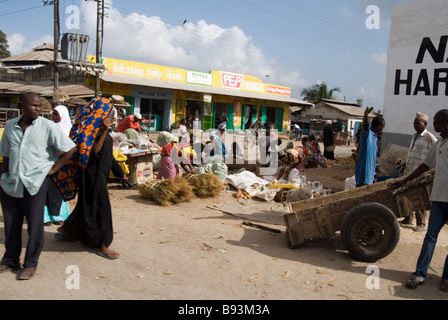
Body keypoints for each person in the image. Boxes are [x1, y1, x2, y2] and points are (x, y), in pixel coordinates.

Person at [0, 92, 76, 280]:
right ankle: (10, 259)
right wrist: (2, 176)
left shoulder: (47, 126)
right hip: (11, 183)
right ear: (22, 106)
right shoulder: (10, 126)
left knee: (35, 225)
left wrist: (53, 169)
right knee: (11, 224)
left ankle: (30, 264)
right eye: (33, 106)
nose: (38, 109)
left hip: (35, 183)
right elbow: (5, 155)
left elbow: (70, 148)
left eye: (39, 106)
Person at [55, 97, 120, 260]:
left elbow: (107, 156)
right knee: (101, 209)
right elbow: (95, 153)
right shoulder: (92, 132)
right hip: (93, 177)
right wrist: (104, 131)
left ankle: (67, 230)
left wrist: (119, 172)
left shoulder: (93, 129)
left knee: (86, 205)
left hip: (97, 176)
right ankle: (102, 244)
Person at [393, 109, 448, 292]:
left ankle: (446, 278)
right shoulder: (440, 142)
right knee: (430, 237)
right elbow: (426, 165)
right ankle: (419, 273)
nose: (434, 123)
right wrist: (406, 180)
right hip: (439, 198)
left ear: (444, 122)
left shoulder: (433, 138)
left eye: (436, 120)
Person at [400, 112, 437, 231]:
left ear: (425, 124)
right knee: (408, 194)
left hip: (421, 172)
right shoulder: (414, 136)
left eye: (418, 123)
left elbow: (437, 152)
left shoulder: (429, 137)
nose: (416, 125)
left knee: (419, 196)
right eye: (414, 123)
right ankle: (408, 218)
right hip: (410, 170)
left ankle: (421, 223)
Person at [44, 105, 74, 226]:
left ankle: (59, 216)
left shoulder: (70, 130)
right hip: (50, 163)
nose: (55, 117)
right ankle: (46, 217)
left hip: (64, 165)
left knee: (61, 190)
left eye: (57, 115)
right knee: (47, 190)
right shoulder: (49, 128)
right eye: (54, 114)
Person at [355, 107, 386, 187]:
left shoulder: (375, 138)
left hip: (369, 176)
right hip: (363, 175)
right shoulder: (368, 134)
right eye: (382, 127)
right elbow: (366, 124)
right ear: (378, 126)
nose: (382, 130)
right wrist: (366, 115)